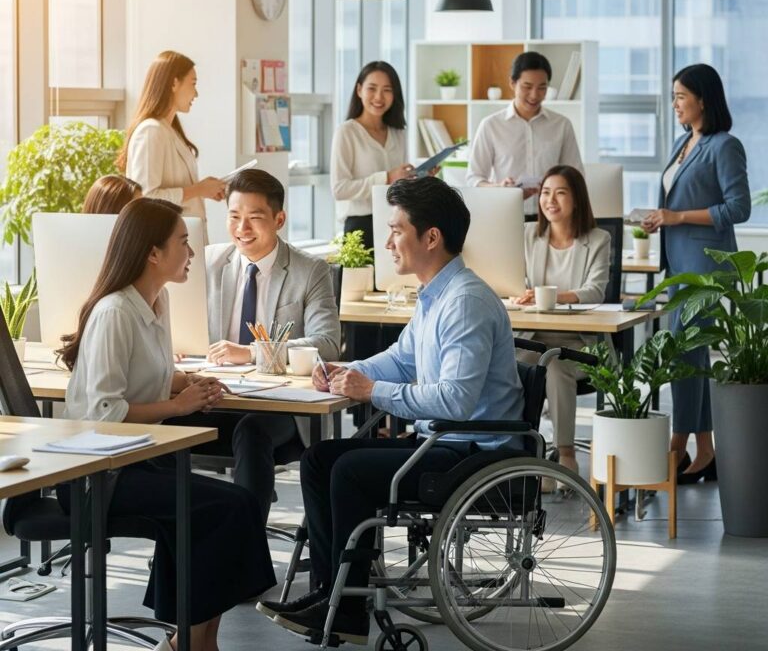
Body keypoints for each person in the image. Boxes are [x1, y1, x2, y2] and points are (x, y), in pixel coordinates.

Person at [258, 176, 525, 645]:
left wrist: (372, 391)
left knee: (350, 471)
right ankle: (329, 593)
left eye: (396, 230)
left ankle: (348, 608)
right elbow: (402, 360)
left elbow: (456, 401)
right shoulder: (436, 295)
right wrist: (347, 370)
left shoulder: (464, 302)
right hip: (443, 441)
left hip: (474, 452)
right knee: (319, 460)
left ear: (431, 237)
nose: (387, 243)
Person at [57, 197, 275, 651]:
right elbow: (103, 412)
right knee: (223, 508)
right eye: (183, 242)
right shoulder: (115, 312)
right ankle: (190, 643)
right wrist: (178, 406)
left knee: (234, 504)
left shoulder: (158, 301)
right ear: (153, 253)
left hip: (138, 458)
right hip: (98, 474)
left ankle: (193, 641)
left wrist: (184, 381)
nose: (192, 252)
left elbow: (148, 372)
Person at [192, 168, 341, 494]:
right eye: (234, 217)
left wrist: (251, 352)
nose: (242, 229)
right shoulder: (208, 262)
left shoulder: (309, 270)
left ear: (279, 219)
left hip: (280, 408)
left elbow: (328, 343)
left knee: (251, 430)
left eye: (254, 218)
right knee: (160, 427)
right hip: (215, 397)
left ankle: (247, 526)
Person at [642, 63, 750, 484]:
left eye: (681, 97)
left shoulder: (725, 146)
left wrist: (678, 216)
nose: (675, 104)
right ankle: (705, 450)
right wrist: (660, 217)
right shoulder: (683, 142)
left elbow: (738, 208)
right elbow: (676, 200)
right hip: (680, 265)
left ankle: (678, 443)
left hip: (706, 269)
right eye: (673, 96)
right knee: (693, 356)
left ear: (703, 99)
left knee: (683, 353)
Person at [512, 165, 609, 478]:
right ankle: (517, 451)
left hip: (580, 343)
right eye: (545, 192)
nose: (550, 200)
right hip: (533, 337)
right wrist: (519, 294)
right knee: (508, 366)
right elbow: (512, 280)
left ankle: (565, 455)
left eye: (560, 193)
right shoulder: (527, 234)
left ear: (577, 199)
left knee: (554, 366)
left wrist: (547, 296)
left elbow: (595, 291)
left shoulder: (598, 239)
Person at [119, 50, 227, 239]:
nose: (196, 93)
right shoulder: (151, 131)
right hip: (166, 240)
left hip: (182, 238)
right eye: (193, 83)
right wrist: (198, 189)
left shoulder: (169, 130)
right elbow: (146, 198)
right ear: (174, 83)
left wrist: (204, 188)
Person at [467, 51, 583, 214]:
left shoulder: (561, 125)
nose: (534, 95)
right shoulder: (491, 125)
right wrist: (499, 188)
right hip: (505, 213)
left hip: (551, 215)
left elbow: (576, 175)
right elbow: (474, 178)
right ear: (512, 83)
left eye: (542, 88)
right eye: (527, 87)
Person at [330, 61, 413, 250]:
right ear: (359, 90)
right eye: (372, 88)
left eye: (387, 90)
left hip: (396, 224)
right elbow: (339, 189)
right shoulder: (347, 132)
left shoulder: (399, 133)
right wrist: (386, 177)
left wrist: (418, 178)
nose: (379, 97)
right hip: (360, 227)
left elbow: (399, 187)